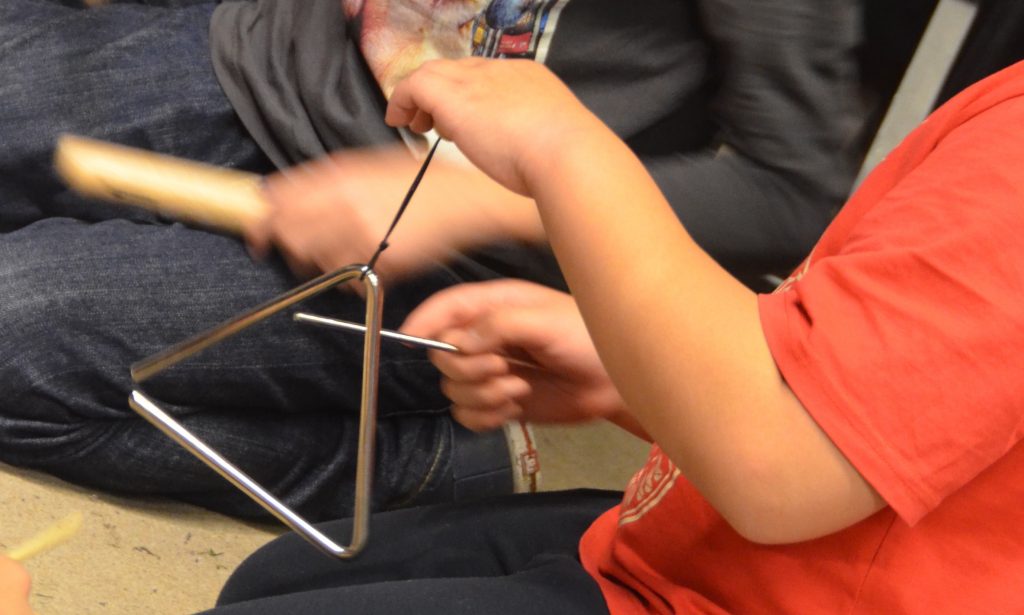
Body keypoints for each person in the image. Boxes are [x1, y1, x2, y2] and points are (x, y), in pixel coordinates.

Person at [202, 53, 1024, 614]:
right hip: (693, 539)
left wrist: (559, 146)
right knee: (273, 581)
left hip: (758, 576)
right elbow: (916, 389)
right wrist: (636, 375)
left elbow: (780, 466)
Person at [0, 0, 863, 521]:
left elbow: (792, 194)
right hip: (264, 58)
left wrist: (469, 201)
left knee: (15, 333)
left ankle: (426, 465)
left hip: (456, 253)